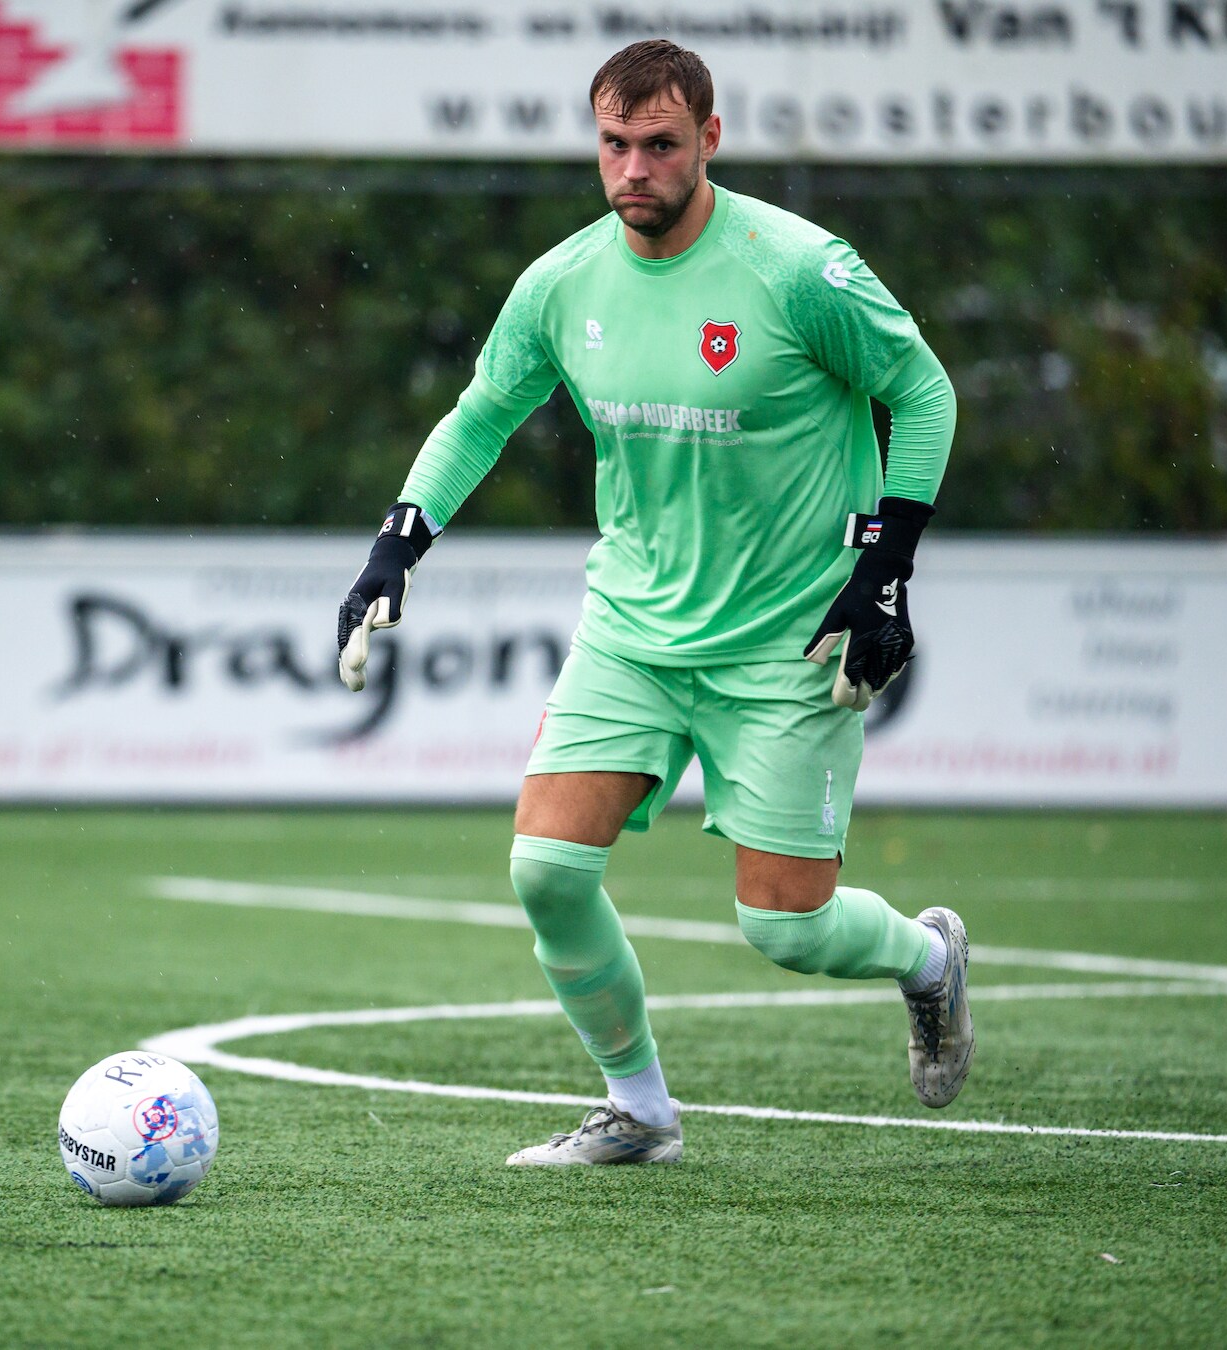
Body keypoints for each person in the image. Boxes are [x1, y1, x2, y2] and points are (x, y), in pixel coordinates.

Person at [335, 39, 971, 1165]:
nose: (635, 169)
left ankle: (928, 960)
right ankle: (640, 1111)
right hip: (632, 630)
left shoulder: (797, 269)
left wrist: (885, 569)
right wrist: (398, 542)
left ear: (709, 140)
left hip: (790, 639)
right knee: (546, 871)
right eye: (615, 144)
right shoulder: (562, 283)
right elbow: (483, 413)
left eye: (661, 144)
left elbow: (921, 391)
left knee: (787, 927)